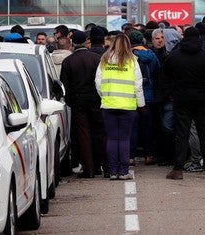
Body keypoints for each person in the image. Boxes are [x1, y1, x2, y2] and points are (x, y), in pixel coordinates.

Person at [163, 27, 205, 180]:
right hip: (203, 100)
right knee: (204, 134)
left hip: (181, 100)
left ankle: (177, 169)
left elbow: (165, 78)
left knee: (182, 134)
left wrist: (170, 94)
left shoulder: (174, 56)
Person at [95, 34, 145, 180]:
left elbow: (98, 82)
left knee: (111, 138)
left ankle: (112, 171)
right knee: (124, 139)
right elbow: (138, 86)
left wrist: (105, 96)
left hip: (108, 103)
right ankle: (123, 172)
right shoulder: (132, 61)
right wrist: (141, 105)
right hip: (128, 105)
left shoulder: (104, 60)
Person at [61, 30, 107, 178]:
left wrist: (69, 100)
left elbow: (64, 85)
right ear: (86, 41)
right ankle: (102, 165)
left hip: (78, 100)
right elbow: (102, 80)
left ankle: (88, 168)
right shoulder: (96, 59)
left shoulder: (68, 61)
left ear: (72, 42)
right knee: (99, 132)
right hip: (96, 99)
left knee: (83, 134)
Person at [127, 29, 160, 166]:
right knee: (147, 127)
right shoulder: (151, 55)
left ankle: (130, 157)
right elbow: (157, 72)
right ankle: (149, 155)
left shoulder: (128, 55)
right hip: (149, 95)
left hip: (131, 95)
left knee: (132, 127)